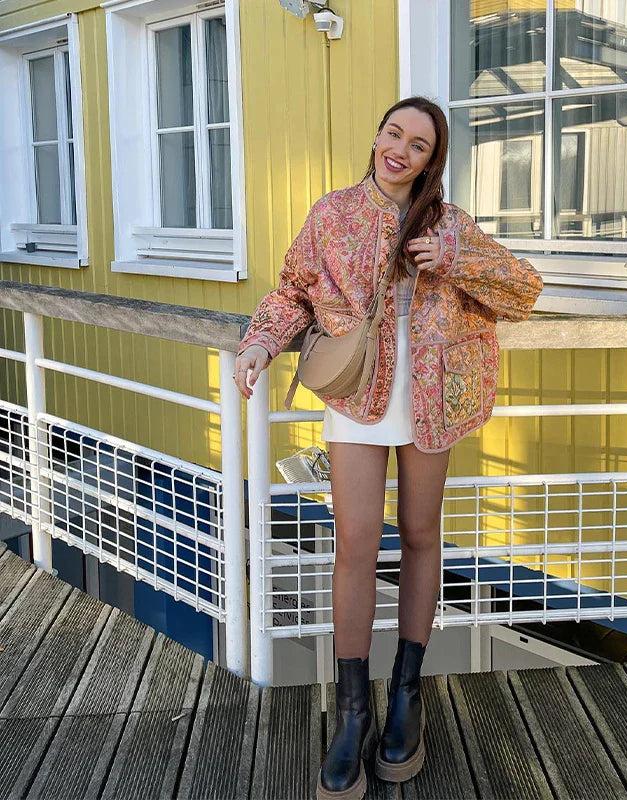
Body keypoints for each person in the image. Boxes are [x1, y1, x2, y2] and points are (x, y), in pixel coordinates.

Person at [234, 96, 543, 800]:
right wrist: (260, 344)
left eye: (418, 145)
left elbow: (523, 291)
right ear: (377, 136)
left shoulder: (450, 224)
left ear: (432, 161)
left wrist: (456, 259)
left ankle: (406, 694)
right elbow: (292, 293)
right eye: (394, 134)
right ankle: (353, 712)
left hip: (434, 394)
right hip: (357, 394)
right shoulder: (332, 214)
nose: (400, 150)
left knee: (422, 535)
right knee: (355, 543)